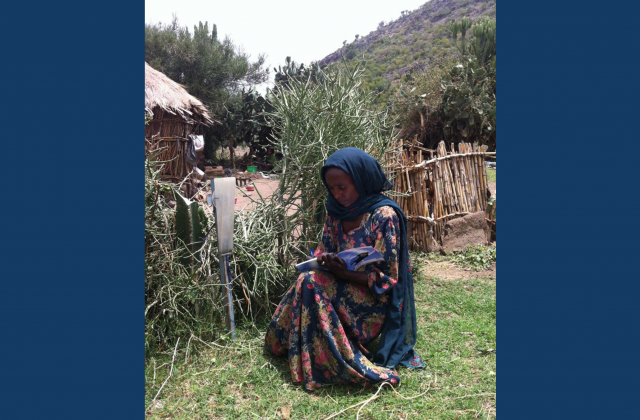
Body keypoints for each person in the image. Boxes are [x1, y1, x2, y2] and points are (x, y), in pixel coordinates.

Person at [265, 147, 424, 390]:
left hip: (371, 306)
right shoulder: (337, 213)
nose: (337, 194)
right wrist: (325, 258)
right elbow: (322, 250)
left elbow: (389, 280)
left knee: (311, 282)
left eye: (343, 187)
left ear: (360, 180)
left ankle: (341, 362)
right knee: (308, 278)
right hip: (339, 287)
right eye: (332, 188)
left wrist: (345, 273)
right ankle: (295, 345)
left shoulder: (383, 216)